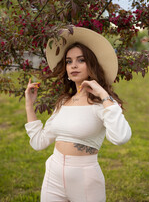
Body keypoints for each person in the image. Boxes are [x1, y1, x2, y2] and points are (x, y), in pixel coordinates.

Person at [25, 27, 132, 202]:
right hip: (53, 175)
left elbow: (121, 138)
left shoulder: (103, 104)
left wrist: (104, 95)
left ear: (92, 65)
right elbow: (39, 142)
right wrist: (30, 105)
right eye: (69, 61)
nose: (73, 65)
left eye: (80, 60)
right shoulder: (63, 102)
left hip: (85, 181)